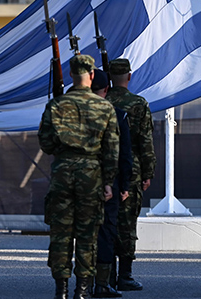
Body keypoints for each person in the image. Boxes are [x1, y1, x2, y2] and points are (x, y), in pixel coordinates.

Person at [39, 55, 119, 299]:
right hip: (91, 175)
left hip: (63, 173)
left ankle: (61, 290)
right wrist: (108, 181)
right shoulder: (105, 107)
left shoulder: (56, 105)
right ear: (92, 75)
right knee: (87, 234)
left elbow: (45, 143)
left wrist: (65, 151)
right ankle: (82, 290)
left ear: (71, 75)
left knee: (61, 233)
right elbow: (112, 149)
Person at [105, 58, 154, 292]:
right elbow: (145, 142)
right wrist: (148, 172)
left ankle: (106, 276)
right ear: (130, 76)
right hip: (131, 170)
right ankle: (124, 275)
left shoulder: (102, 102)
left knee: (107, 223)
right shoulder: (138, 103)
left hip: (104, 169)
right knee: (127, 225)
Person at [90, 69, 132, 299]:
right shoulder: (117, 115)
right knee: (106, 231)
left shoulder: (72, 111)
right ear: (106, 89)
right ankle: (102, 284)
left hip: (78, 180)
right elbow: (124, 153)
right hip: (108, 182)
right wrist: (124, 185)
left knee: (84, 232)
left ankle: (78, 285)